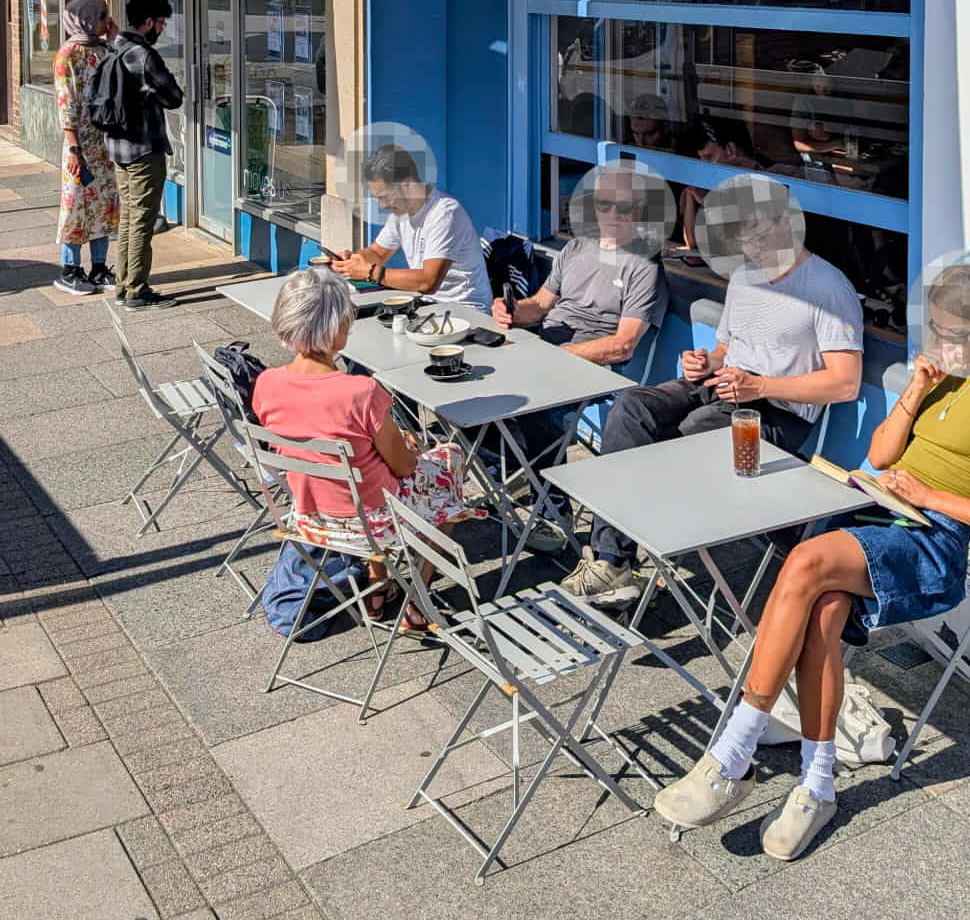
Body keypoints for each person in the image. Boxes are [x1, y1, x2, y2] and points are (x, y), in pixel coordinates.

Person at [652, 259, 970, 860]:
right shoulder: (942, 374)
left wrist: (931, 497)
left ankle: (731, 754)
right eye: (935, 329)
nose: (943, 343)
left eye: (955, 334)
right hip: (879, 511)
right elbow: (881, 451)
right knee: (823, 612)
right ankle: (818, 785)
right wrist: (916, 388)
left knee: (806, 563)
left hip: (932, 540)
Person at [569, 185, 863, 605]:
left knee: (687, 437)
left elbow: (845, 383)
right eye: (742, 235)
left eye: (759, 232)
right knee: (632, 406)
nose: (750, 244)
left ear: (786, 223)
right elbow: (728, 347)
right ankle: (613, 561)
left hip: (774, 410)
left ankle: (621, 558)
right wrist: (705, 361)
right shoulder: (745, 275)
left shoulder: (827, 287)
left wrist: (760, 385)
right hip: (721, 384)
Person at [252, 268, 481, 627]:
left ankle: (376, 589)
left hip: (310, 516)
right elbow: (404, 468)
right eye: (347, 317)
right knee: (447, 462)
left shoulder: (266, 384)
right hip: (371, 522)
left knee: (371, 478)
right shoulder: (360, 392)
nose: (351, 323)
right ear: (334, 326)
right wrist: (412, 448)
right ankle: (417, 605)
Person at [491, 165, 669, 555]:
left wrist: (555, 356)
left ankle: (555, 511)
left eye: (623, 206)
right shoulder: (577, 247)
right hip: (545, 347)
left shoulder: (644, 266)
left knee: (532, 406)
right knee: (475, 385)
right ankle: (503, 475)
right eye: (604, 204)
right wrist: (507, 310)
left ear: (639, 211)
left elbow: (623, 345)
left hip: (589, 364)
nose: (613, 214)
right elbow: (538, 305)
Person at [327, 144, 490, 308]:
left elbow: (428, 282)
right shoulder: (400, 214)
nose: (383, 205)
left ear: (406, 183)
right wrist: (354, 261)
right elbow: (377, 252)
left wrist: (371, 272)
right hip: (429, 305)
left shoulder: (445, 214)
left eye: (385, 197)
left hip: (465, 310)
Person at [103, 0, 184, 310]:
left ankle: (125, 284)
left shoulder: (117, 46)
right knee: (142, 219)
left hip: (119, 147)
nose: (162, 29)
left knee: (128, 218)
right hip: (143, 149)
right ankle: (136, 289)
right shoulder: (143, 54)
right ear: (149, 22)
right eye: (161, 22)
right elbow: (173, 96)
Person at [53, 0, 120, 296]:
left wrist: (115, 41)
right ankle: (69, 269)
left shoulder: (103, 49)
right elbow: (65, 103)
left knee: (104, 205)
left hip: (103, 144)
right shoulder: (67, 54)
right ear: (87, 18)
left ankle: (99, 266)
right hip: (80, 144)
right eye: (103, 15)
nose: (107, 20)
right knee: (75, 205)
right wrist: (73, 148)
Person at [681, 117, 764, 251]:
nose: (705, 167)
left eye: (709, 158)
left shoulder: (762, 180)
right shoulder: (722, 185)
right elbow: (692, 241)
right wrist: (691, 193)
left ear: (730, 150)